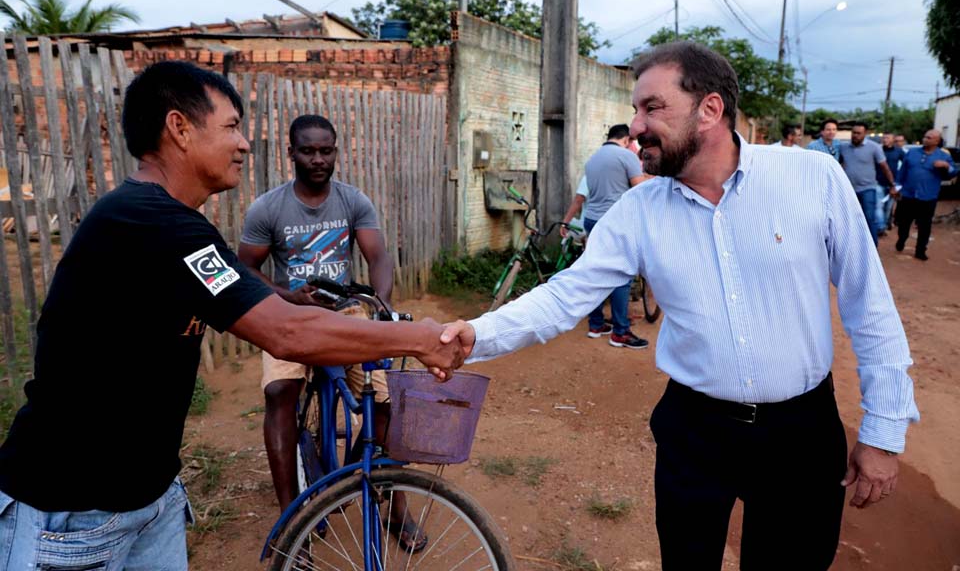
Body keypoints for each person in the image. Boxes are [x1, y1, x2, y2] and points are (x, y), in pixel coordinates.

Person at [440, 42, 918, 570]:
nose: (636, 125)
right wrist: (476, 335)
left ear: (709, 109)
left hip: (800, 436)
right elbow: (564, 295)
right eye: (635, 110)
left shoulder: (812, 179)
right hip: (695, 432)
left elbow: (868, 305)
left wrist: (883, 432)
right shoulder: (639, 209)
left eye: (652, 107)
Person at [0, 62, 463, 569]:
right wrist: (415, 337)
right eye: (231, 127)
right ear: (179, 128)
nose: (244, 144)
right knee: (281, 392)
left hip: (150, 500)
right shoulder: (149, 222)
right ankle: (296, 517)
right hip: (73, 511)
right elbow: (285, 331)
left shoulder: (175, 225)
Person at [238, 114, 425, 551]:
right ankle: (293, 516)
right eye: (308, 151)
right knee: (279, 392)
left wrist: (380, 303)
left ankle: (391, 500)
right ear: (292, 154)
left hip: (347, 313)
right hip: (289, 314)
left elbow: (377, 256)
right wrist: (289, 295)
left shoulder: (353, 200)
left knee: (386, 396)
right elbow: (245, 267)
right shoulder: (268, 207)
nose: (318, 159)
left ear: (336, 151)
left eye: (327, 150)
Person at [582, 124, 648, 349]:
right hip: (615, 221)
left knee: (596, 270)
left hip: (592, 220)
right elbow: (641, 191)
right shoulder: (626, 157)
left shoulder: (592, 159)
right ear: (627, 139)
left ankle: (596, 324)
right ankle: (620, 332)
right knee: (622, 274)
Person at [895, 128, 958, 261]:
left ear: (936, 141)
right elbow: (902, 171)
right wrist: (897, 187)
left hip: (928, 196)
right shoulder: (912, 153)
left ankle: (920, 250)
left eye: (929, 138)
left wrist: (946, 166)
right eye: (925, 137)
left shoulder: (943, 156)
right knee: (904, 223)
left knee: (924, 225)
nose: (925, 139)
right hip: (908, 195)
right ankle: (902, 239)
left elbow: (953, 172)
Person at [838, 122, 897, 246]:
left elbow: (884, 167)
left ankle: (872, 247)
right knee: (848, 219)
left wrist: (892, 185)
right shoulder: (843, 147)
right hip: (848, 190)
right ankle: (852, 246)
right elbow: (839, 164)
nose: (855, 135)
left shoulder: (874, 147)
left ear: (865, 134)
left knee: (869, 218)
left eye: (859, 133)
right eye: (853, 133)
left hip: (867, 189)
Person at [877, 133, 905, 232]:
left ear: (893, 139)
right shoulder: (878, 150)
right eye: (883, 137)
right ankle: (881, 227)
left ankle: (884, 224)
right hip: (878, 182)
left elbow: (906, 165)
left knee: (888, 208)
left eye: (887, 138)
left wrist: (901, 181)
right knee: (878, 206)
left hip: (894, 184)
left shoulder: (899, 151)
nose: (885, 139)